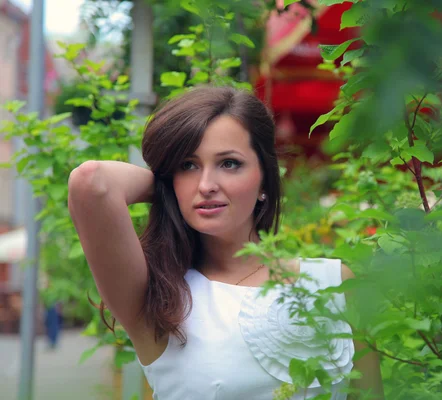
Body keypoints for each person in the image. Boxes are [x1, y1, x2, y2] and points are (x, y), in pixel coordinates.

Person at [67, 86, 384, 399]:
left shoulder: (335, 284)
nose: (206, 185)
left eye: (229, 163)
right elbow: (92, 182)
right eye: (188, 165)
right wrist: (167, 189)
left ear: (264, 179)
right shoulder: (159, 298)